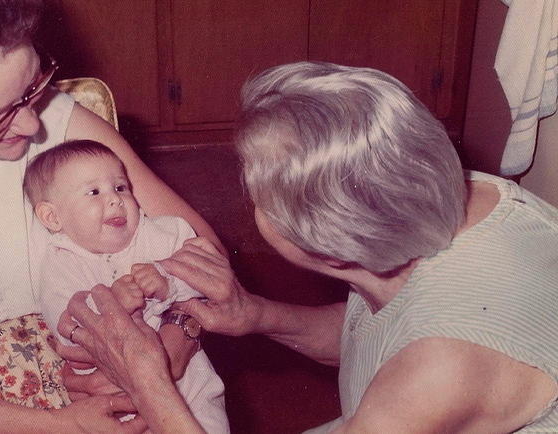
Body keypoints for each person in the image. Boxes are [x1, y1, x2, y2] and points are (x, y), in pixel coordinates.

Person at [61, 61, 558, 433]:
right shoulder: (456, 192)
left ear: (333, 251)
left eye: (256, 198)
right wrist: (256, 315)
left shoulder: (438, 373)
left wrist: (147, 377)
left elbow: (419, 362)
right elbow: (386, 329)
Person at [0, 0, 222, 431]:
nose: (31, 124)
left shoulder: (55, 119)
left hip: (106, 387)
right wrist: (61, 426)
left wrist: (175, 340)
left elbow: (200, 250)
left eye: (31, 87)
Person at [23, 139, 229, 432]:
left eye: (120, 187)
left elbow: (208, 280)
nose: (115, 199)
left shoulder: (161, 234)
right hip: (119, 404)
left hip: (191, 389)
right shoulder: (61, 264)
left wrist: (168, 282)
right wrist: (111, 304)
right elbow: (68, 333)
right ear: (53, 217)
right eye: (93, 192)